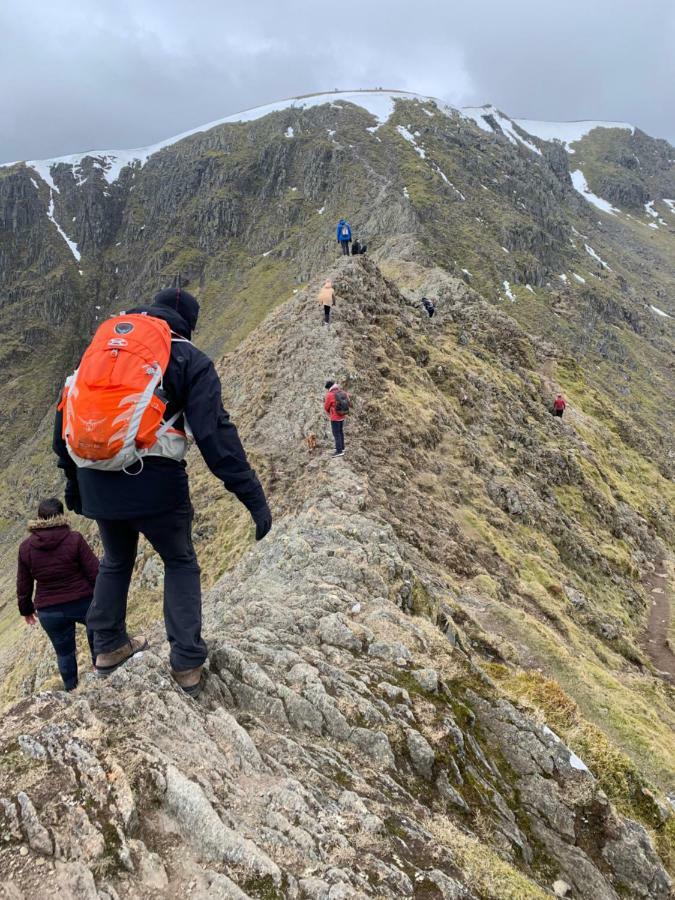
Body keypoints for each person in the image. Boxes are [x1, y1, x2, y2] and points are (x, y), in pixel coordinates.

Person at [53, 286, 272, 697]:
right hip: (155, 481)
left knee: (117, 559)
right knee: (179, 560)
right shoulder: (189, 357)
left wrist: (73, 483)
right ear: (188, 323)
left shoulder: (105, 350)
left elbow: (64, 413)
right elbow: (215, 437)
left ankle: (108, 647)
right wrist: (253, 499)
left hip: (95, 475)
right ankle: (187, 663)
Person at [16, 497, 98, 692]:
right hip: (83, 601)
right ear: (62, 516)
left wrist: (26, 609)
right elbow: (94, 571)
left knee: (64, 652)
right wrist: (104, 597)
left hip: (49, 610)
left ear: (39, 518)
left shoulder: (26, 548)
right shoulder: (74, 538)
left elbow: (24, 584)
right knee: (97, 631)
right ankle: (100, 669)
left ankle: (71, 689)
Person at [324, 380, 350, 458]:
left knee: (336, 433)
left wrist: (330, 412)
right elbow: (348, 401)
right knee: (340, 432)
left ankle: (339, 451)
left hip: (335, 417)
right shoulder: (342, 392)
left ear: (329, 387)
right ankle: (342, 448)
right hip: (342, 415)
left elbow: (326, 407)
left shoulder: (330, 395)